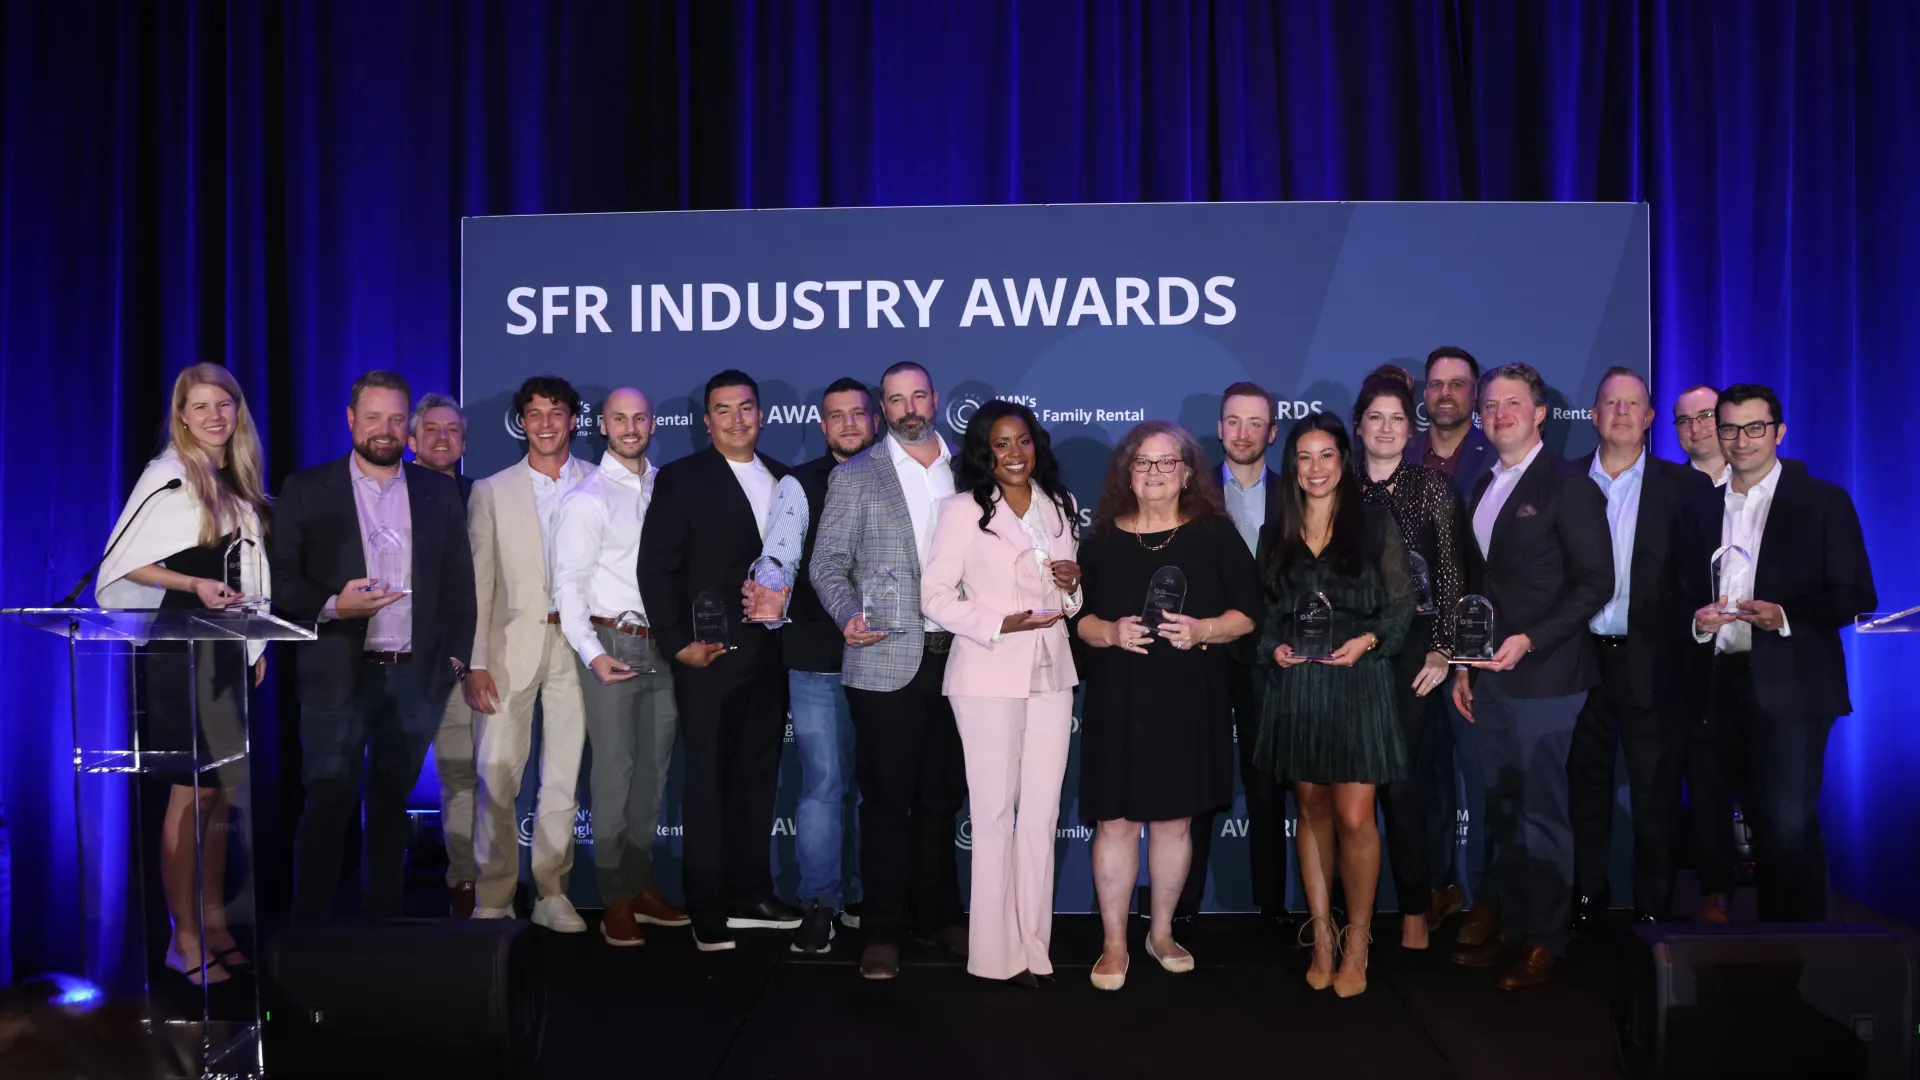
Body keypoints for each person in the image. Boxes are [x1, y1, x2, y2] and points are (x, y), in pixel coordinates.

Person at [269, 370, 476, 921]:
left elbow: (460, 586)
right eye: (372, 418)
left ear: (407, 425)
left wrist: (453, 662)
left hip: (416, 678)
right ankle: (308, 938)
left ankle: (382, 934)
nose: (384, 430)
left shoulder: (438, 490)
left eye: (394, 419)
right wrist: (336, 603)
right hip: (337, 672)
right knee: (328, 805)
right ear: (350, 419)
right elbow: (279, 582)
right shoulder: (307, 489)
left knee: (389, 809)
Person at [95, 363, 272, 985]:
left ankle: (214, 923)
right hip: (179, 652)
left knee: (219, 799)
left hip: (223, 650)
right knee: (188, 796)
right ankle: (184, 938)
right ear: (182, 415)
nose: (214, 416)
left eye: (224, 404)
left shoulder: (233, 480)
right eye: (200, 407)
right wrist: (193, 582)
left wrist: (254, 646)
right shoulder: (167, 477)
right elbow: (124, 564)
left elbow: (247, 576)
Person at [1674, 384, 1874, 923]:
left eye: (1755, 427)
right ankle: (1733, 955)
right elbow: (1675, 593)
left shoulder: (1823, 501)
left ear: (1779, 432)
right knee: (1713, 814)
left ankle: (1795, 953)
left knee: (1785, 823)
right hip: (1715, 683)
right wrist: (1696, 621)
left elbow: (1857, 594)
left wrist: (1783, 616)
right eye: (1731, 429)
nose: (1742, 440)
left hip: (1793, 686)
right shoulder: (1697, 509)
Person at [1075, 422, 1259, 991]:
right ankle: (1112, 943)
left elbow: (1248, 612)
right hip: (1118, 697)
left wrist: (1203, 628)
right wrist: (1108, 630)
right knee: (1116, 822)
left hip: (1188, 696)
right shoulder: (1101, 537)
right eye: (1142, 463)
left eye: (1165, 462)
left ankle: (1160, 933)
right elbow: (1075, 618)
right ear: (1127, 473)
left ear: (1186, 472)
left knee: (1176, 822)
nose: (1153, 472)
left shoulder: (1215, 535)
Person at [1447, 363, 1612, 990]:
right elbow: (1479, 584)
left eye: (1513, 403)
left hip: (1547, 675)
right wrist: (1465, 666)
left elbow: (1597, 581)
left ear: (1541, 413)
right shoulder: (1483, 481)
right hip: (1489, 675)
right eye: (1489, 405)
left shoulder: (1567, 485)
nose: (1498, 413)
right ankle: (1516, 927)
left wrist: (1530, 638)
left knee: (1541, 811)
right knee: (1507, 807)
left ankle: (1546, 941)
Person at [808, 361, 968, 980]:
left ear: (934, 397)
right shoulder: (855, 475)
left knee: (942, 800)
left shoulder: (968, 472)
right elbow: (826, 564)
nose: (909, 409)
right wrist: (847, 615)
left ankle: (939, 914)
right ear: (883, 407)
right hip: (883, 658)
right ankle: (879, 929)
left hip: (961, 659)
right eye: (896, 400)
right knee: (884, 803)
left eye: (918, 396)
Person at [921, 401, 1084, 986]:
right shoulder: (961, 510)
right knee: (993, 816)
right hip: (987, 672)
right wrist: (998, 622)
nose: (1014, 455)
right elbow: (934, 597)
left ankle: (1034, 947)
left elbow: (1068, 599)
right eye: (1001, 445)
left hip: (1051, 672)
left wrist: (1072, 589)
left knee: (1040, 816)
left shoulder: (1059, 507)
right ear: (984, 454)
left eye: (1022, 442)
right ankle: (994, 954)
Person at [638, 370, 799, 950]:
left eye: (746, 408)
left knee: (758, 778)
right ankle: (707, 905)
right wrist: (678, 642)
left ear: (762, 415)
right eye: (723, 411)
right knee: (705, 783)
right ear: (706, 422)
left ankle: (749, 893)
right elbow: (656, 568)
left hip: (771, 654)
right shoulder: (683, 479)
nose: (736, 420)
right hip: (707, 656)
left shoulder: (786, 480)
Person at [1254, 413, 1413, 998]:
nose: (1315, 468)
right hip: (1299, 689)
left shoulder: (1373, 527)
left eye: (1326, 456)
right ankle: (1321, 935)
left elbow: (1400, 605)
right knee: (1312, 810)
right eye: (1304, 457)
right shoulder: (1277, 533)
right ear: (1291, 466)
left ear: (1343, 462)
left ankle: (1359, 941)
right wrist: (1277, 648)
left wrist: (1367, 642)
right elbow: (1265, 615)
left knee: (1354, 818)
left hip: (1358, 681)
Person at [1565, 369, 1714, 929]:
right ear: (1595, 415)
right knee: (1584, 784)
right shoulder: (1563, 480)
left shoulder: (1686, 489)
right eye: (1610, 402)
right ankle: (1587, 895)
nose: (1621, 412)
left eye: (1633, 404)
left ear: (1650, 419)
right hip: (1578, 659)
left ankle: (1653, 906)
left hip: (1654, 661)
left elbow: (1700, 579)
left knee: (1654, 792)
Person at [743, 377, 879, 953]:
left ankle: (877, 901)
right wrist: (768, 591)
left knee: (884, 787)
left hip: (892, 660)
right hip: (818, 658)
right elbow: (779, 551)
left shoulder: (909, 479)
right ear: (821, 426)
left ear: (874, 419)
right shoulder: (800, 484)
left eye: (857, 414)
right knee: (823, 785)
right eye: (836, 416)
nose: (848, 424)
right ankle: (821, 902)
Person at [553, 387, 689, 945]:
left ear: (652, 423)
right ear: (602, 426)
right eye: (619, 419)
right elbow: (568, 588)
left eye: (639, 417)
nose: (630, 427)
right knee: (614, 776)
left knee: (652, 776)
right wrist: (594, 654)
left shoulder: (667, 487)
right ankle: (613, 897)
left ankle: (639, 884)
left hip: (666, 646)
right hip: (613, 641)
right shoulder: (587, 497)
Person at [464, 377, 590, 931]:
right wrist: (474, 661)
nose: (545, 423)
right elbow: (478, 584)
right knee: (498, 776)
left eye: (556, 413)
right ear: (521, 422)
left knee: (563, 776)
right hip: (508, 649)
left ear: (572, 421)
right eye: (535, 414)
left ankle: (551, 892)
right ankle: (492, 896)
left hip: (580, 646)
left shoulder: (599, 482)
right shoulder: (491, 491)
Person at [1351, 372, 1465, 951]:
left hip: (1415, 656)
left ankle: (1416, 910)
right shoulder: (1337, 488)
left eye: (1398, 418)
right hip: (1352, 654)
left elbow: (1450, 575)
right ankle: (1355, 920)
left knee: (1405, 788)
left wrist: (1444, 650)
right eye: (1376, 418)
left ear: (1411, 426)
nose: (1388, 428)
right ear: (1359, 426)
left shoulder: (1433, 487)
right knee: (1351, 791)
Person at [1181, 382, 1286, 932]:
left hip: (1272, 661)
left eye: (1255, 423)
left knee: (1268, 785)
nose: (1243, 433)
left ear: (1272, 432)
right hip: (1200, 654)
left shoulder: (1296, 494)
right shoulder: (1187, 496)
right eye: (1233, 422)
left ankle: (1273, 908)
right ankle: (1184, 905)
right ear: (1219, 429)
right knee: (1197, 781)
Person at [407, 392, 480, 917]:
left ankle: (465, 882)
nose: (441, 439)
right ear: (411, 439)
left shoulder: (482, 497)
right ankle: (378, 891)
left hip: (459, 665)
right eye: (430, 429)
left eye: (451, 430)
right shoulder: (384, 493)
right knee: (386, 780)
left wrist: (463, 658)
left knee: (461, 777)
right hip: (392, 665)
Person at [1404, 346, 1496, 497]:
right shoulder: (1401, 454)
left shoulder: (1497, 457)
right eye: (1436, 384)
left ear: (1475, 394)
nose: (1445, 392)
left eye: (1456, 384)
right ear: (1426, 394)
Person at [1670, 384, 1730, 485]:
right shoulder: (1665, 488)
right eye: (1684, 421)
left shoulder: (1758, 479)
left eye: (1706, 416)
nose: (1695, 429)